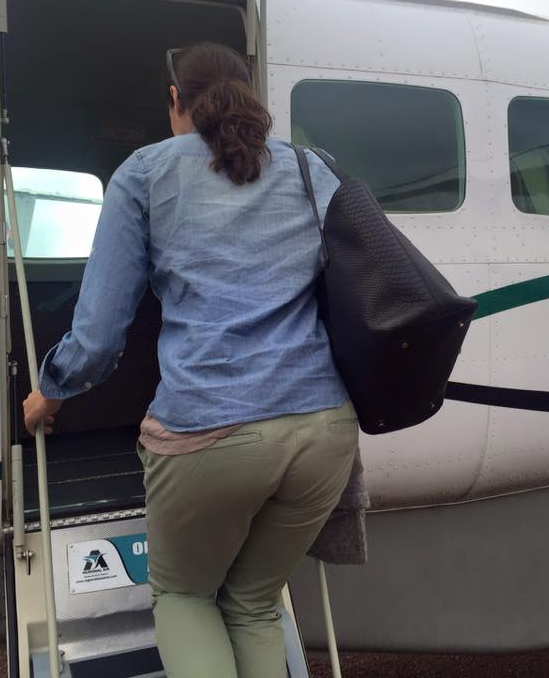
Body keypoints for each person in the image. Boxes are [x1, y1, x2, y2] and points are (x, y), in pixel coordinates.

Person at [22, 42, 358, 678]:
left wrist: (49, 394)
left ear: (174, 101)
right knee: (255, 602)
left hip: (213, 430)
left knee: (184, 595)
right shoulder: (315, 169)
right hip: (324, 429)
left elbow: (97, 337)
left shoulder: (145, 172)